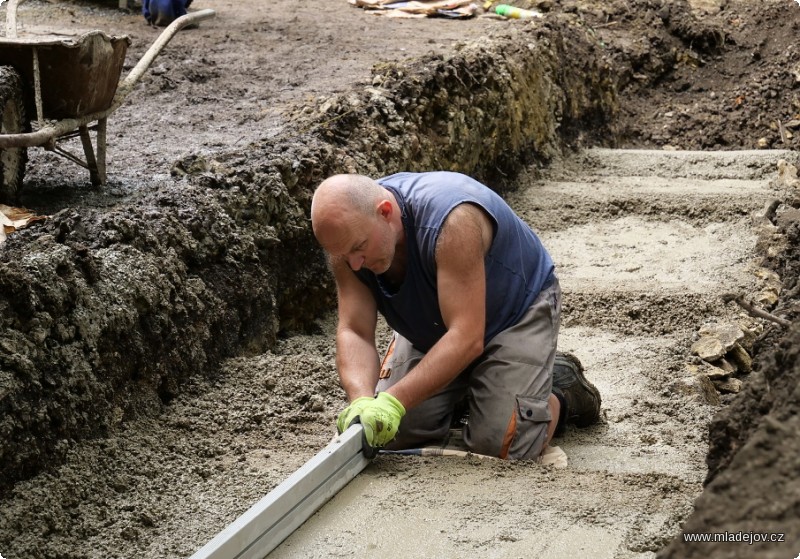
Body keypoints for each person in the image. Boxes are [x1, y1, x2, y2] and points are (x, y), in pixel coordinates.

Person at [310, 171, 601, 460]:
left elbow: (466, 337)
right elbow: (354, 331)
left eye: (359, 249)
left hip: (513, 315)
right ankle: (477, 389)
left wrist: (394, 401)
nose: (355, 264)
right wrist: (363, 402)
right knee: (390, 435)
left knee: (503, 445)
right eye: (343, 255)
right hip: (434, 324)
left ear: (385, 212)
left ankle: (560, 390)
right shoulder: (348, 242)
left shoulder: (452, 221)